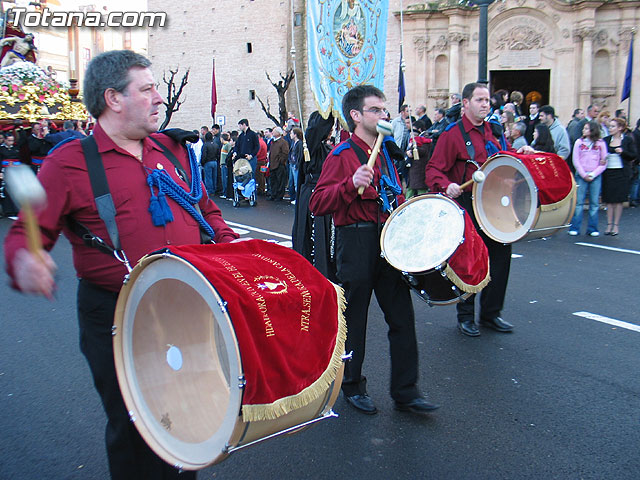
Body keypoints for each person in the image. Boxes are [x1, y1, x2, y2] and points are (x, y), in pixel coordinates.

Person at [3, 50, 240, 480]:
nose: (158, 98)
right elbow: (27, 232)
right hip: (116, 313)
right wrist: (26, 259)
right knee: (138, 431)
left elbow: (207, 209)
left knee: (188, 416)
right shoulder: (68, 162)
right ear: (113, 98)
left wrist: (231, 247)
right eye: (147, 88)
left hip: (185, 306)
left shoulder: (172, 149)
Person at [309, 85, 439, 416]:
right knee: (355, 319)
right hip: (356, 242)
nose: (384, 114)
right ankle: (352, 386)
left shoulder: (383, 154)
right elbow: (318, 203)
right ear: (356, 116)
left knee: (402, 316)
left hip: (386, 241)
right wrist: (350, 184)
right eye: (376, 110)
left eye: (384, 110)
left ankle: (406, 390)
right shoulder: (341, 157)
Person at [425, 82, 529, 337]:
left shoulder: (493, 131)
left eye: (487, 101)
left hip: (495, 204)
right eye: (480, 100)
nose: (486, 104)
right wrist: (446, 184)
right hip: (469, 204)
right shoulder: (452, 135)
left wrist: (521, 153)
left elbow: (502, 158)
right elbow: (432, 170)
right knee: (470, 261)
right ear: (466, 103)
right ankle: (466, 316)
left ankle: (492, 314)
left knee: (501, 257)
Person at [292, 111, 338, 282]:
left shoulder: (328, 148)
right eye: (329, 127)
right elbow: (314, 132)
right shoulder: (308, 146)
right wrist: (328, 112)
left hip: (326, 195)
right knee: (313, 239)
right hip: (313, 195)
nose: (331, 131)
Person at [568, 121, 607, 237]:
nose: (583, 130)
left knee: (594, 203)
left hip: (595, 175)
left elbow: (604, 162)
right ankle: (575, 227)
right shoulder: (579, 143)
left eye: (586, 129)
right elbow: (576, 160)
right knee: (579, 202)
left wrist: (593, 174)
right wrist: (583, 173)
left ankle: (592, 228)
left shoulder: (601, 144)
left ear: (592, 130)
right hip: (581, 174)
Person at [601, 117, 637, 235]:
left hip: (621, 172)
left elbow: (633, 155)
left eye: (613, 126)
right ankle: (609, 224)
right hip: (608, 172)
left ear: (620, 128)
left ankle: (616, 225)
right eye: (610, 126)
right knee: (609, 200)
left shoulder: (627, 140)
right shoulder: (605, 140)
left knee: (618, 200)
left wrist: (623, 152)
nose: (610, 128)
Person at [267, 126, 289, 201]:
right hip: (272, 164)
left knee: (280, 181)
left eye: (274, 131)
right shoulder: (273, 142)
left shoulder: (283, 142)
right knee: (273, 180)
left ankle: (279, 195)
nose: (272, 132)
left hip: (279, 165)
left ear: (278, 133)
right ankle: (273, 194)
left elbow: (285, 153)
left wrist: (280, 161)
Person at [200, 131, 220, 196]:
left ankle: (210, 191)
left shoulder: (205, 145)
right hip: (215, 162)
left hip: (208, 162)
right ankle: (214, 189)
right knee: (214, 176)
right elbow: (218, 154)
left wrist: (202, 162)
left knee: (208, 177)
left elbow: (204, 155)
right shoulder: (216, 145)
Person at [287, 127, 303, 204]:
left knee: (296, 183)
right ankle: (293, 197)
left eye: (291, 133)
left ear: (295, 134)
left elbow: (299, 155)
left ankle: (298, 199)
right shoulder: (294, 143)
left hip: (295, 165)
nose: (290, 135)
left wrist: (297, 164)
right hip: (292, 164)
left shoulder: (299, 143)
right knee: (291, 182)